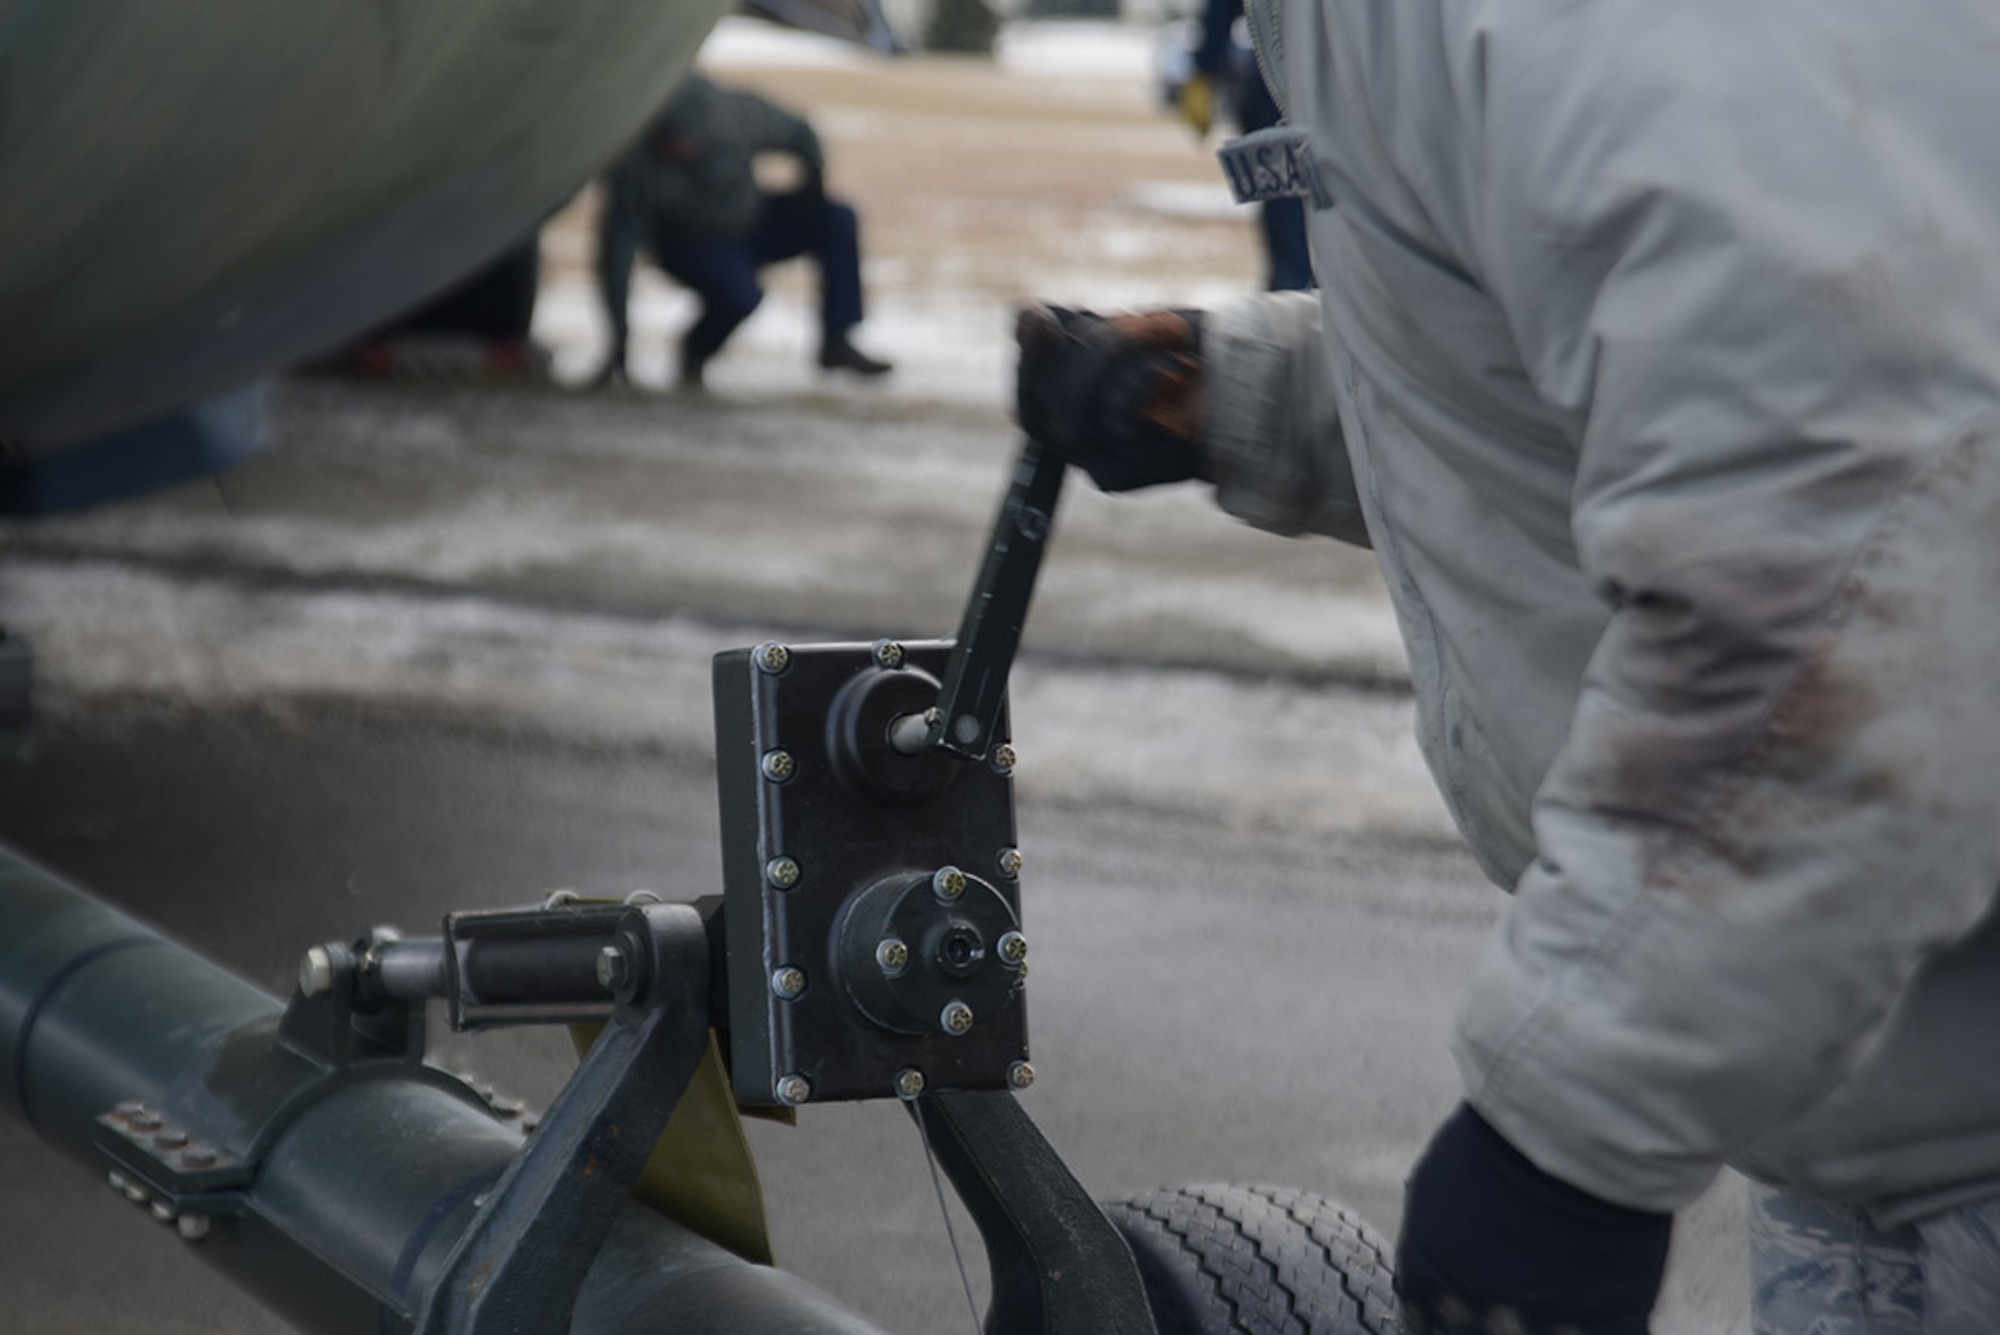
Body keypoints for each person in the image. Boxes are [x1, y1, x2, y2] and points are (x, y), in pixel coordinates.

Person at [1015, 3, 2000, 1332]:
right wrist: (1252, 394)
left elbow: (1854, 561)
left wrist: (1569, 1136)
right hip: (1864, 1086)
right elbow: (1681, 397)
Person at [594, 72, 891, 390]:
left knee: (837, 219)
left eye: (686, 143)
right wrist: (619, 338)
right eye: (670, 145)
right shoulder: (634, 163)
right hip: (690, 245)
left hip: (753, 221)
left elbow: (802, 133)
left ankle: (837, 340)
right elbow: (616, 252)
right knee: (741, 294)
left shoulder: (738, 113)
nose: (678, 151)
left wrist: (812, 178)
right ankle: (696, 351)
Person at [1175, 0, 1311, 293]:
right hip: (1292, 85)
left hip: (1283, 88)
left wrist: (1205, 67)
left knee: (1288, 206)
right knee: (1290, 206)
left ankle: (1292, 293)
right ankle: (1292, 294)